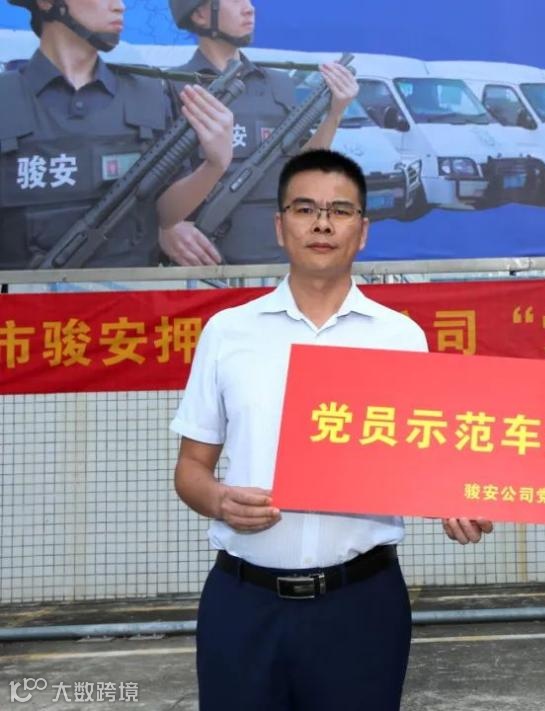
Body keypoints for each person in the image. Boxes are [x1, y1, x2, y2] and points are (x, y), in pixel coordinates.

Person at [171, 149, 423, 710]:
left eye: (340, 211)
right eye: (305, 209)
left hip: (362, 605)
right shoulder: (228, 332)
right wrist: (218, 499)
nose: (322, 224)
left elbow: (425, 463)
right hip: (244, 603)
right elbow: (190, 468)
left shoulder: (401, 339)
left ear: (363, 230)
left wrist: (458, 501)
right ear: (280, 226)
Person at [0, 0, 234, 269]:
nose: (119, 6)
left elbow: (164, 214)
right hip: (21, 294)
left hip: (131, 293)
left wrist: (214, 165)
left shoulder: (148, 95)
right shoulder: (6, 99)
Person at [160, 0, 358, 266]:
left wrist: (334, 113)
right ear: (199, 14)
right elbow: (159, 193)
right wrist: (167, 227)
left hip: (278, 255)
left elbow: (303, 166)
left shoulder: (278, 84)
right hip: (203, 263)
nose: (249, 8)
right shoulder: (175, 87)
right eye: (235, 0)